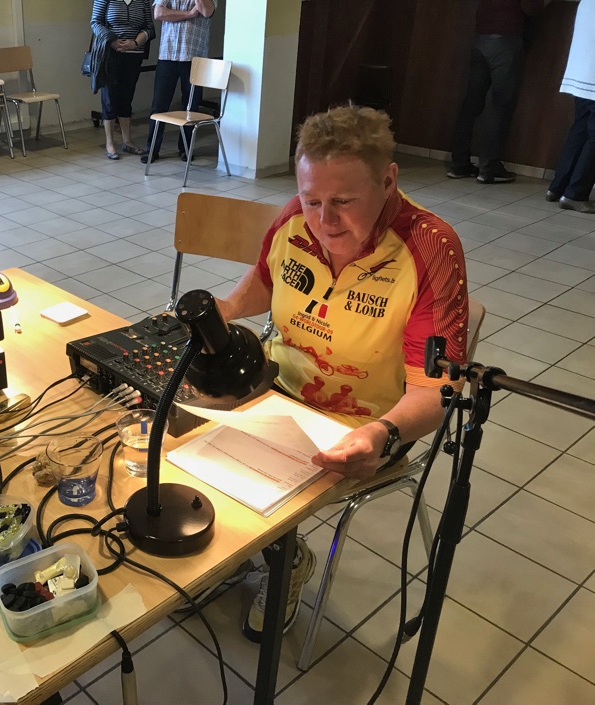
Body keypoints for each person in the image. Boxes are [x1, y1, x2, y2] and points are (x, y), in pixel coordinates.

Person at [215, 104, 469, 641]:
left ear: (388, 180)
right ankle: (250, 548)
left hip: (367, 419)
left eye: (344, 202)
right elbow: (265, 279)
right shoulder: (296, 216)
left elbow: (438, 389)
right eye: (312, 200)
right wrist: (228, 309)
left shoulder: (429, 246)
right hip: (279, 384)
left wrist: (383, 433)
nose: (324, 220)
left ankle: (284, 559)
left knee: (261, 475)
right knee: (176, 426)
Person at [447, 0, 547, 184]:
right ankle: (489, 167)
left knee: (471, 104)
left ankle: (458, 162)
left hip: (481, 37)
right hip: (505, 40)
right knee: (500, 104)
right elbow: (532, 8)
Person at [140, 0, 217, 165]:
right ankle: (152, 149)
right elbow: (159, 13)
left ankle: (186, 148)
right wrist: (189, 14)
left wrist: (176, 14)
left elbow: (207, 11)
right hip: (168, 55)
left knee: (191, 107)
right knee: (159, 106)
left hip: (195, 58)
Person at [546, 0, 595, 214]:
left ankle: (557, 187)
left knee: (580, 128)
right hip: (592, 74)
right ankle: (575, 194)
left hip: (581, 71)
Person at [90, 0, 155, 160]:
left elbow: (149, 28)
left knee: (126, 98)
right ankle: (110, 143)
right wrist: (112, 40)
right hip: (110, 55)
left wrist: (135, 43)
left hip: (134, 55)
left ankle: (128, 142)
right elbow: (95, 22)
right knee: (109, 99)